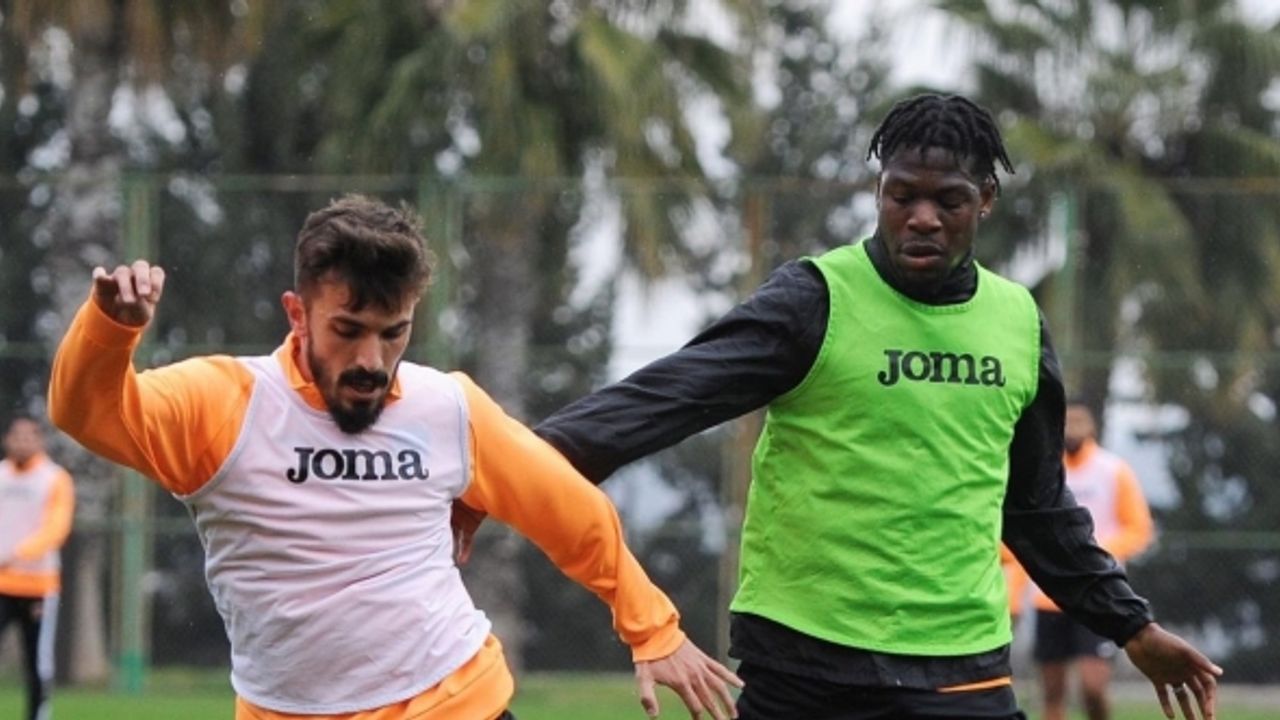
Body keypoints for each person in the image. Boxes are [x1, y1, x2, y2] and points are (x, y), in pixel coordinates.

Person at [455, 93, 1221, 720]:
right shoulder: (816, 299)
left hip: (961, 664)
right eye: (902, 195)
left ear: (985, 200)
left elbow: (1039, 509)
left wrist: (1131, 625)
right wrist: (500, 474)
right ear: (879, 193)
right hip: (806, 663)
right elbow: (665, 398)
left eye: (948, 200)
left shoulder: (1017, 323)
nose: (922, 217)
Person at [47, 195, 741, 720]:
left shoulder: (447, 407)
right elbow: (87, 413)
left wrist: (653, 628)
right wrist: (110, 331)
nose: (371, 360)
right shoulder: (223, 403)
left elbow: (566, 508)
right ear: (297, 314)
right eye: (347, 330)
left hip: (457, 701)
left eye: (393, 333)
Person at [1008, 401, 1155, 720]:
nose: (1072, 428)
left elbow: (1139, 528)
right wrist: (1015, 593)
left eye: (1079, 421)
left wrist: (1088, 554)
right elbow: (1027, 536)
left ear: (1092, 426)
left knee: (1092, 686)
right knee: (1052, 693)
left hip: (1098, 591)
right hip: (1048, 597)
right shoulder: (1043, 471)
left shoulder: (1113, 470)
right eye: (1067, 421)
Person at [0, 414, 76, 720]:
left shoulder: (54, 478)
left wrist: (16, 553)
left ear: (40, 441)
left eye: (28, 437)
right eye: (16, 437)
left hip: (38, 586)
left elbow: (57, 528)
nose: (22, 443)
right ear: (7, 440)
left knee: (37, 662)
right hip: (2, 584)